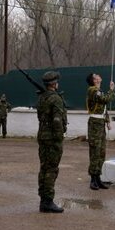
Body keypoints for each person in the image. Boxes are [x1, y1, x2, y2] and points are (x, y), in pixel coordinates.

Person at [37, 71, 67, 213]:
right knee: (51, 169)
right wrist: (58, 137)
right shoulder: (55, 99)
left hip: (42, 136)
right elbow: (56, 120)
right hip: (52, 138)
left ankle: (44, 199)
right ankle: (48, 201)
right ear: (54, 84)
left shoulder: (42, 97)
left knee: (44, 167)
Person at [85, 72, 115, 190]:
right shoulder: (92, 90)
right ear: (94, 80)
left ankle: (98, 178)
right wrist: (111, 90)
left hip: (100, 123)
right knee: (95, 152)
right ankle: (93, 179)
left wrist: (107, 121)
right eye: (96, 76)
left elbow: (103, 108)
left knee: (101, 152)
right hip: (94, 124)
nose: (98, 76)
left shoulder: (98, 90)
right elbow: (105, 100)